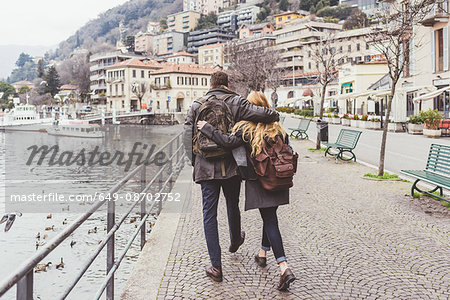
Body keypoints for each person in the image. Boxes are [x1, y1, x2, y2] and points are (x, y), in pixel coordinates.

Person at [183, 72, 280, 282]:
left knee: (209, 214)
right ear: (227, 84)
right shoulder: (237, 102)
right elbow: (264, 114)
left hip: (205, 167)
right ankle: (235, 239)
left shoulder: (197, 104)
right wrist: (274, 115)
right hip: (231, 167)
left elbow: (186, 133)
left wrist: (193, 160)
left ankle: (216, 267)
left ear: (210, 84)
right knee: (232, 204)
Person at [196, 91, 296, 291]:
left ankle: (284, 268)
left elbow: (226, 142)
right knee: (270, 216)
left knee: (270, 220)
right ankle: (262, 253)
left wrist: (207, 128)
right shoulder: (278, 128)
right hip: (280, 178)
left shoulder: (246, 129)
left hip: (260, 180)